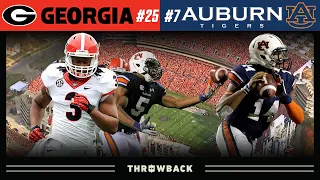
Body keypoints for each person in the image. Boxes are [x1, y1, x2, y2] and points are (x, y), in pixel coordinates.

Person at [99, 51, 225, 157]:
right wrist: (136, 125)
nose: (155, 69)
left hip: (132, 134)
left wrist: (203, 96)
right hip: (114, 131)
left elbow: (177, 103)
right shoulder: (128, 79)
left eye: (155, 65)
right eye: (150, 65)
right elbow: (115, 107)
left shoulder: (156, 88)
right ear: (138, 65)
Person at [28, 32, 119, 157]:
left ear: (94, 59)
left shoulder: (102, 82)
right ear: (68, 58)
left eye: (86, 61)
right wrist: (34, 127)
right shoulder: (55, 77)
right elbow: (38, 103)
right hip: (53, 145)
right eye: (77, 61)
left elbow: (113, 127)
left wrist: (90, 109)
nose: (81, 66)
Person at [215, 33, 304, 157]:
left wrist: (284, 96)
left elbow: (299, 119)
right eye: (277, 54)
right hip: (233, 129)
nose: (282, 58)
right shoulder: (244, 72)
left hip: (253, 138)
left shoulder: (286, 78)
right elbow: (220, 111)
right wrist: (246, 89)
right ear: (264, 55)